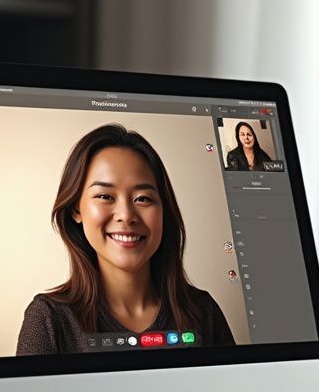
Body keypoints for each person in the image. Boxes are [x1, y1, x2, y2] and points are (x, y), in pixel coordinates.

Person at [18, 124, 235, 354]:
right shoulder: (48, 319)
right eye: (105, 196)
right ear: (76, 210)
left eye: (143, 198)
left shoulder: (203, 311)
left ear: (164, 211)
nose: (126, 216)